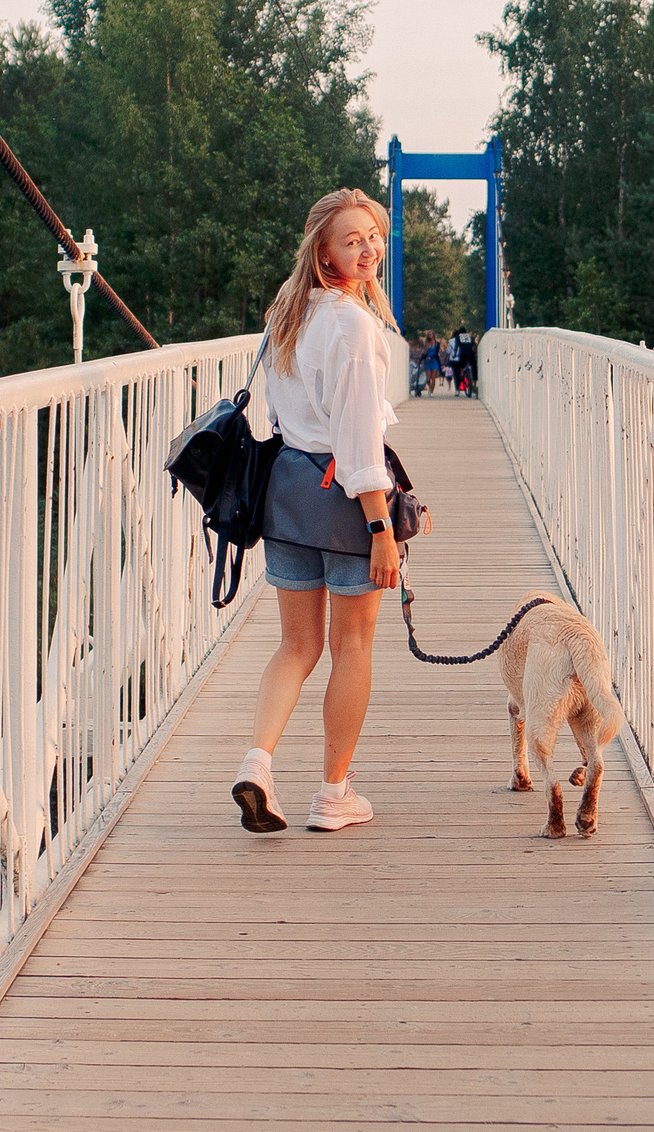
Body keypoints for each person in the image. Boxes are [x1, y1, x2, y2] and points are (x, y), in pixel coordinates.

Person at [232, 187, 404, 834]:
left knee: (295, 643)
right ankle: (335, 794)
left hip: (287, 488)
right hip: (342, 499)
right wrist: (382, 527)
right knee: (351, 642)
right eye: (352, 239)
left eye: (373, 236)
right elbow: (360, 445)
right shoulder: (357, 327)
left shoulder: (288, 313)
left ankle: (258, 762)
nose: (368, 248)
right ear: (325, 255)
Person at [450, 325, 477, 397]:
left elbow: (456, 347)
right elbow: (474, 345)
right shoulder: (470, 336)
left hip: (463, 353)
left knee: (461, 365)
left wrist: (454, 355)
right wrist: (475, 353)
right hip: (470, 352)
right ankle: (474, 383)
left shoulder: (458, 337)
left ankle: (462, 374)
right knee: (474, 367)